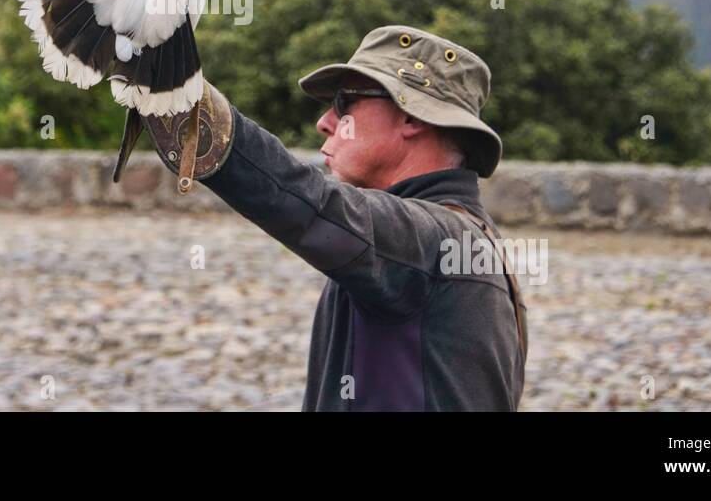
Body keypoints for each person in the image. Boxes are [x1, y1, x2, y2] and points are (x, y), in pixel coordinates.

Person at [143, 25, 527, 411]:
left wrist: (176, 90)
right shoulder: (462, 241)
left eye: (346, 104)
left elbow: (307, 202)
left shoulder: (437, 239)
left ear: (413, 116)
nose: (325, 122)